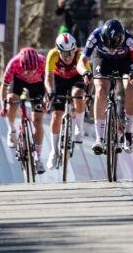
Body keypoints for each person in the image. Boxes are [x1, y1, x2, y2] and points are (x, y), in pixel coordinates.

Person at [79, 18, 133, 156]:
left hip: (124, 61)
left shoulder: (128, 39)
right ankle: (99, 137)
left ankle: (128, 133)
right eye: (108, 48)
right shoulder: (95, 36)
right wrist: (85, 72)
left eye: (114, 48)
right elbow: (81, 62)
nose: (112, 51)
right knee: (100, 89)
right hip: (102, 61)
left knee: (130, 86)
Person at [44, 33, 91, 170]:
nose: (68, 56)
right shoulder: (52, 55)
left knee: (78, 94)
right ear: (58, 50)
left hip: (76, 78)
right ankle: (54, 151)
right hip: (59, 80)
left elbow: (90, 78)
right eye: (64, 53)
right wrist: (50, 91)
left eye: (70, 52)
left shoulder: (79, 55)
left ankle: (79, 127)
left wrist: (88, 93)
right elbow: (48, 78)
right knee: (57, 115)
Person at [1, 47, 47, 174]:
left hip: (37, 85)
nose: (30, 74)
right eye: (27, 71)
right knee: (11, 100)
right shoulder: (13, 63)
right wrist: (4, 106)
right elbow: (4, 88)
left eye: (33, 71)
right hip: (19, 81)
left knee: (38, 121)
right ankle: (12, 129)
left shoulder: (43, 62)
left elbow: (49, 82)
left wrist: (47, 99)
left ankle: (38, 158)